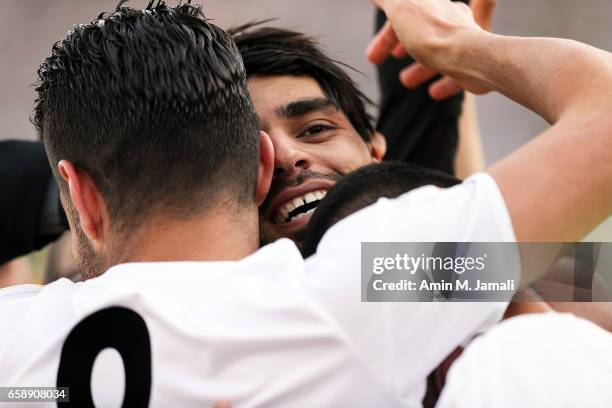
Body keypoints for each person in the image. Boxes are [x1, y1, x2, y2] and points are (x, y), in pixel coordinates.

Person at [0, 2, 520, 406]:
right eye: (254, 151)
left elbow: (592, 284)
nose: (288, 156)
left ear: (376, 149)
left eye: (316, 129)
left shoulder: (406, 271)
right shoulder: (114, 297)